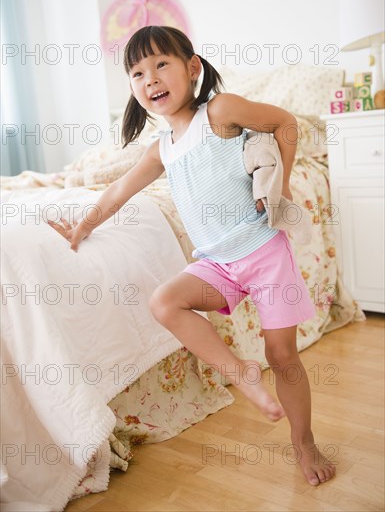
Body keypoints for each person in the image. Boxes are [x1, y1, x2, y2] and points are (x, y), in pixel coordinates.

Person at [48, 25, 335, 486]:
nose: (151, 78)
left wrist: (279, 191)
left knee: (282, 354)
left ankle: (305, 443)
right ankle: (239, 372)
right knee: (165, 301)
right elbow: (120, 189)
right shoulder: (161, 149)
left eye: (162, 64)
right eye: (138, 72)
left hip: (263, 251)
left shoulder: (220, 111)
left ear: (192, 67)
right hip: (217, 263)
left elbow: (285, 123)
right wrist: (82, 225)